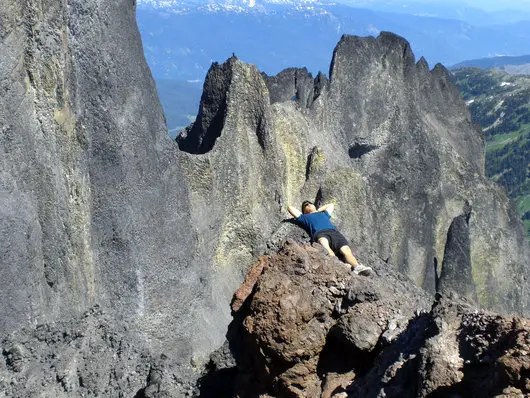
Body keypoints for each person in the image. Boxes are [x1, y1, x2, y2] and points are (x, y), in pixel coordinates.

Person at [288, 201, 372, 276]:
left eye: (311, 203)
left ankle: (357, 267)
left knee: (346, 250)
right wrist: (306, 213)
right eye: (306, 205)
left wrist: (318, 210)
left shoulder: (323, 214)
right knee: (326, 247)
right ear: (304, 210)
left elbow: (331, 205)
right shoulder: (304, 218)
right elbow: (290, 208)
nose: (309, 204)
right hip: (320, 233)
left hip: (334, 233)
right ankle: (340, 266)